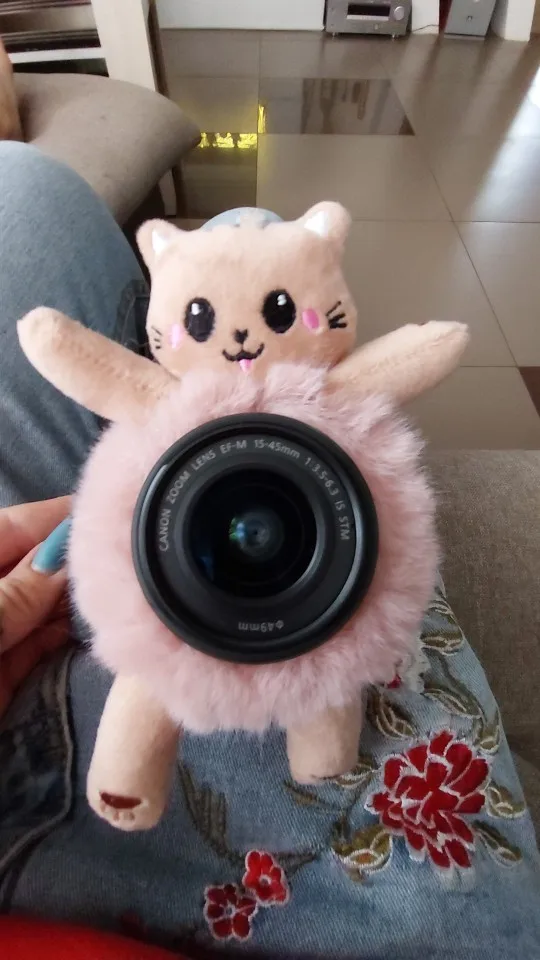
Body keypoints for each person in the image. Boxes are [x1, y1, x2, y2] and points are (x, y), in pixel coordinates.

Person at [1, 140, 540, 960]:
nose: (247, 338)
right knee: (348, 615)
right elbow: (404, 360)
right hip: (438, 917)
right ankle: (318, 748)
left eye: (276, 311)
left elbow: (95, 367)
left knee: (24, 182)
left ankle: (147, 769)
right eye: (206, 317)